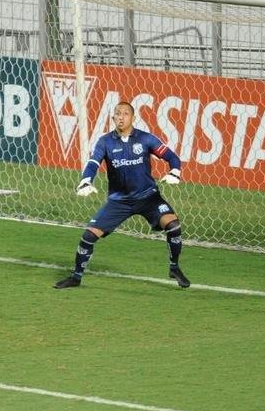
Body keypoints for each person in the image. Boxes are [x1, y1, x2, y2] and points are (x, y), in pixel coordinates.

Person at [54, 100, 190, 290]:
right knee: (88, 236)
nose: (121, 117)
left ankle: (174, 267)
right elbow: (93, 162)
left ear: (133, 118)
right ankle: (76, 277)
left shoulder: (146, 139)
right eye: (118, 113)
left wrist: (175, 171)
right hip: (119, 201)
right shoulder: (105, 141)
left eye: (125, 114)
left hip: (148, 197)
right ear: (113, 118)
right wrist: (86, 180)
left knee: (173, 225)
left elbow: (171, 156)